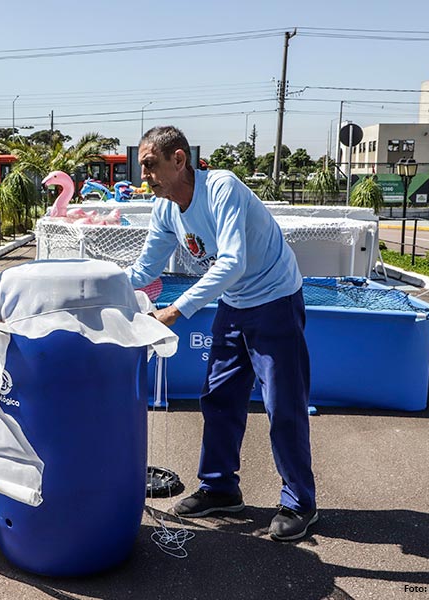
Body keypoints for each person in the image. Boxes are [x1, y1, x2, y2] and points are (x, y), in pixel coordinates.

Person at [127, 126, 318, 541]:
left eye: (151, 165)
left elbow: (232, 261)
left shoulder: (221, 188)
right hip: (235, 304)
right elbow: (144, 270)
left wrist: (177, 310)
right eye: (142, 167)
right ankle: (219, 488)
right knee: (218, 397)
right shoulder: (165, 210)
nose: (146, 176)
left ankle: (299, 501)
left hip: (275, 298)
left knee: (283, 404)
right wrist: (100, 287)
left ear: (179, 160)